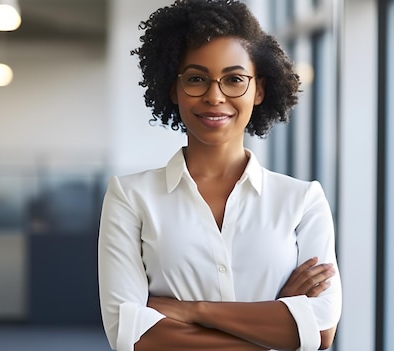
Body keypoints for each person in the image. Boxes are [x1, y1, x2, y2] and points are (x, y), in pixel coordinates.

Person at [97, 1, 342, 350]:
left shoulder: (302, 201)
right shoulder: (129, 197)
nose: (215, 96)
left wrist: (194, 311)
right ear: (173, 89)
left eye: (234, 80)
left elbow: (320, 332)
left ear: (258, 89)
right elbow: (129, 334)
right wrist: (277, 318)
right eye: (196, 79)